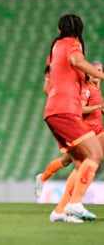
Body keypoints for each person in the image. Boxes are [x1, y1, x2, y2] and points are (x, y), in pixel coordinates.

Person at [43, 14, 104, 223]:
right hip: (66, 111)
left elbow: (47, 88)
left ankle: (60, 211)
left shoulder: (55, 49)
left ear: (60, 30)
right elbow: (77, 61)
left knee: (80, 162)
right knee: (95, 154)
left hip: (53, 111)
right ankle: (75, 203)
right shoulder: (73, 44)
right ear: (80, 30)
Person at [35, 61, 104, 199]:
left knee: (79, 162)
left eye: (100, 70)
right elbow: (80, 109)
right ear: (89, 73)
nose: (97, 73)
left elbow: (97, 110)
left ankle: (70, 198)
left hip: (98, 131)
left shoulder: (97, 88)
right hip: (85, 133)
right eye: (94, 70)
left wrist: (100, 109)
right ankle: (43, 179)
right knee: (66, 161)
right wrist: (98, 107)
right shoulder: (86, 89)